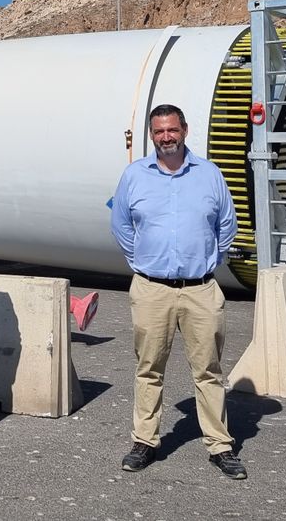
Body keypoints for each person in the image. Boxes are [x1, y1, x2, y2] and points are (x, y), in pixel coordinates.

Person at [109, 104, 247, 480]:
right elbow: (120, 223)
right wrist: (142, 259)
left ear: (185, 130)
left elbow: (227, 226)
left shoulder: (209, 174)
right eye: (159, 132)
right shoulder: (135, 176)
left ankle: (220, 445)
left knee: (209, 371)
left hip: (201, 289)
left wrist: (205, 261)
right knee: (149, 368)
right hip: (152, 289)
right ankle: (145, 441)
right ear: (151, 135)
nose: (166, 137)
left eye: (172, 130)